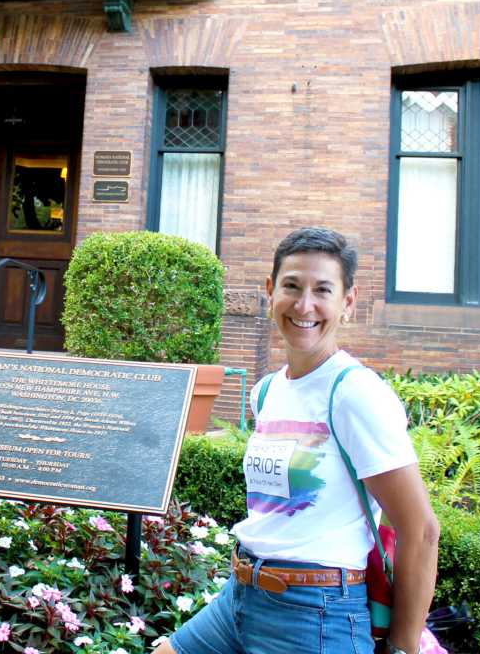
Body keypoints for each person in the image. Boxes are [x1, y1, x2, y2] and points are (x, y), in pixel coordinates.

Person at [160, 227, 439, 654]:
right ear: (271, 291)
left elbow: (420, 530)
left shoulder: (354, 394)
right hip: (242, 595)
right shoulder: (269, 390)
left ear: (347, 302)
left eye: (322, 290)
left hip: (316, 615)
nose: (304, 305)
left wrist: (402, 648)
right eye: (291, 286)